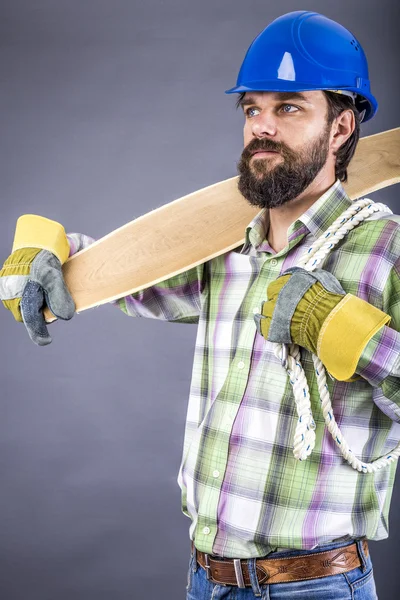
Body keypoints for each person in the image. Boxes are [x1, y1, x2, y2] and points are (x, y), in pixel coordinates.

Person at [1, 10, 399, 600]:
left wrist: (346, 331)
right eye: (251, 109)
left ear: (341, 128)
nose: (261, 127)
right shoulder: (225, 246)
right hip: (206, 580)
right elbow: (133, 275)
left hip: (317, 587)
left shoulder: (385, 247)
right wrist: (50, 254)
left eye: (288, 107)